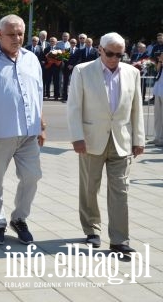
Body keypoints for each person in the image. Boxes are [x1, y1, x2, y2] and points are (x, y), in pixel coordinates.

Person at [67, 32, 145, 255]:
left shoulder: (132, 73)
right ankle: (92, 229)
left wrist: (139, 139)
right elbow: (74, 107)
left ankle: (119, 239)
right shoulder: (82, 71)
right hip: (91, 140)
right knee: (90, 187)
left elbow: (136, 108)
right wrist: (77, 137)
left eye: (119, 55)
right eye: (110, 53)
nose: (114, 58)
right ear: (99, 49)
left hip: (121, 140)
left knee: (120, 190)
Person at [0, 14, 45, 246]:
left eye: (20, 34)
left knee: (32, 176)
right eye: (11, 34)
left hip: (29, 133)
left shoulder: (31, 59)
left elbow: (38, 94)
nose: (16, 39)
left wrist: (41, 125)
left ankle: (19, 218)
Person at [149, 52, 163, 146]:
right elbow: (157, 70)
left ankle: (161, 138)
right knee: (157, 115)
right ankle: (157, 137)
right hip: (159, 89)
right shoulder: (160, 62)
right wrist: (160, 61)